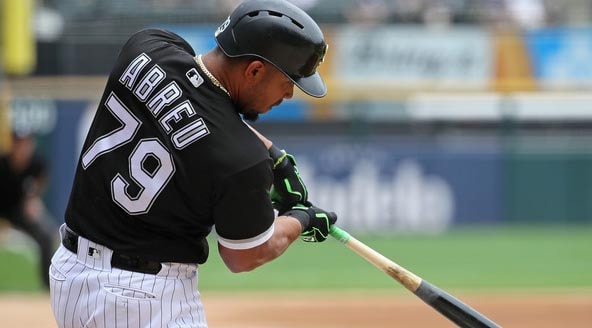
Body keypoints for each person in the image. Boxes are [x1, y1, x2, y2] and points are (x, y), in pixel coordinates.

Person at [49, 0, 336, 327]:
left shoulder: (147, 46)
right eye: (288, 83)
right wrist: (301, 219)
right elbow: (244, 254)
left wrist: (275, 157)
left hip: (70, 274)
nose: (288, 95)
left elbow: (194, 99)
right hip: (144, 299)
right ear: (255, 70)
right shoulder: (241, 160)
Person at [0, 131, 57, 289]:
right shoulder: (3, 163)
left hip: (20, 211)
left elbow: (40, 181)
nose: (22, 148)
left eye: (26, 143)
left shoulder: (37, 162)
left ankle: (47, 286)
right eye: (19, 143)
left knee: (46, 236)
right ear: (13, 145)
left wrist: (33, 198)